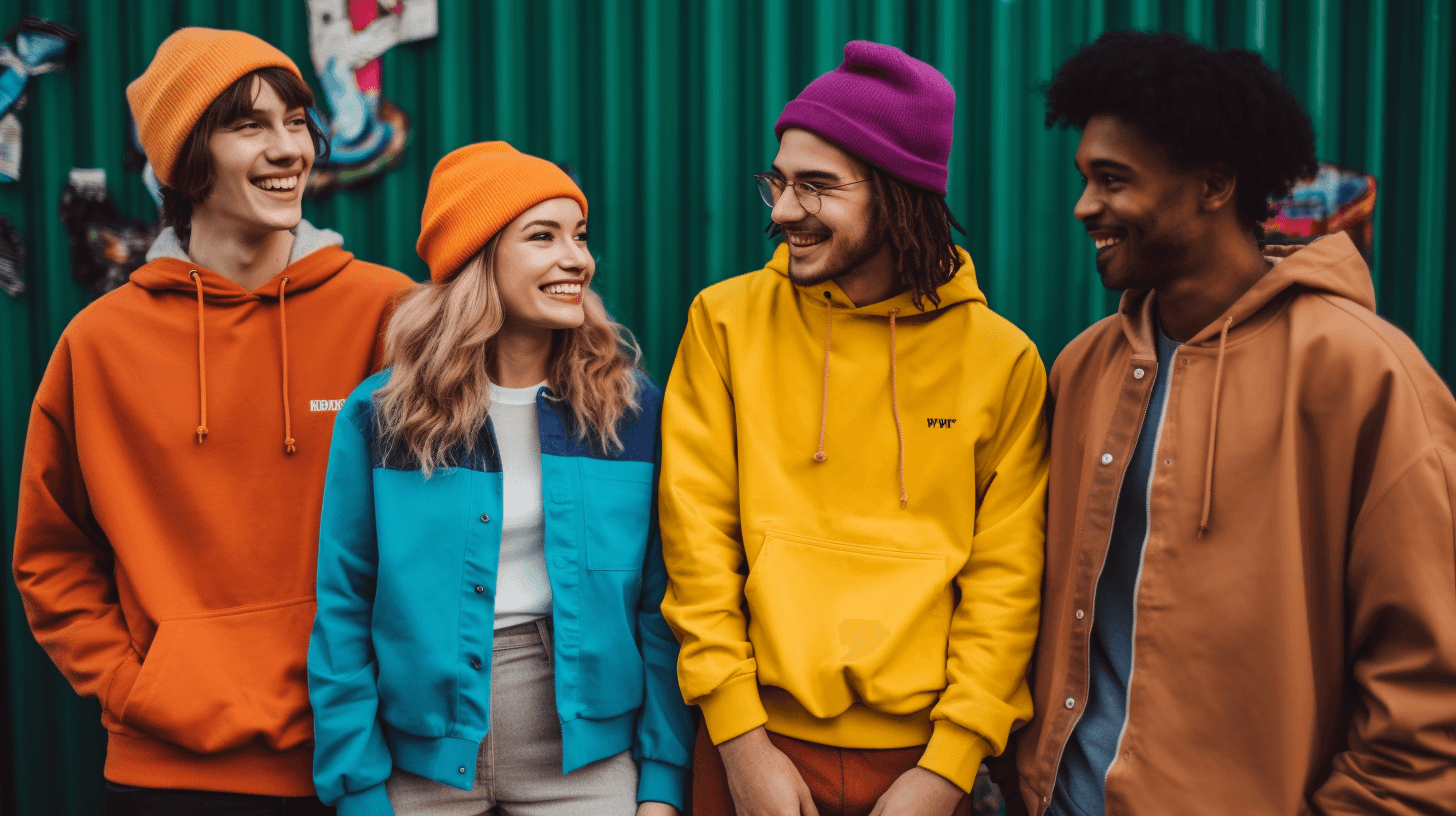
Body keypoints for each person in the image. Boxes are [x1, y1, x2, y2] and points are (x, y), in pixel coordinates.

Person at [1003, 30, 1456, 816]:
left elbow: (1428, 699)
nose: (1084, 206)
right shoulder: (1082, 368)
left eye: (1113, 180)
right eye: (1084, 179)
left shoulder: (1366, 376)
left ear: (1213, 185)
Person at [11, 27, 411, 816]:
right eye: (249, 126)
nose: (289, 148)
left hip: (361, 762)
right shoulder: (101, 343)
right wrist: (133, 687)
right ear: (186, 158)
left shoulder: (388, 312)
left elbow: (450, 526)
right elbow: (51, 555)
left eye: (296, 122)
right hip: (169, 773)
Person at [659, 40, 1048, 816]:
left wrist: (947, 771)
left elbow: (1007, 585)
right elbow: (696, 543)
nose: (780, 210)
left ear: (900, 192)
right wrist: (741, 744)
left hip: (923, 763)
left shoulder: (1001, 360)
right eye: (778, 181)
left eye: (815, 186)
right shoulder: (725, 324)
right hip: (755, 744)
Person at [307, 141, 693, 816]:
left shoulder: (628, 411)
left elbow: (662, 604)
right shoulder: (384, 414)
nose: (577, 259)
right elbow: (344, 606)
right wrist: (358, 788)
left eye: (579, 236)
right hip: (418, 755)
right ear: (477, 259)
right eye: (543, 237)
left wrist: (662, 780)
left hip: (586, 754)